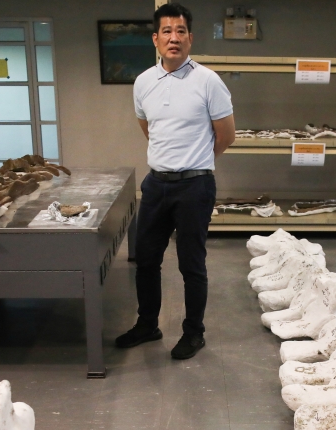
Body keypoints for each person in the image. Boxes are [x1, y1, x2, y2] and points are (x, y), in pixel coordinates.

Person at [115, 2, 235, 360]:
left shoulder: (208, 81)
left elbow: (226, 135)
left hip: (195, 187)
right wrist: (169, 163)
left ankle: (194, 333)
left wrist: (195, 164)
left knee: (191, 265)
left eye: (181, 31)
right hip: (156, 185)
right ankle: (147, 325)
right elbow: (148, 128)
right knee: (147, 260)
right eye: (167, 31)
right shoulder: (143, 82)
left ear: (190, 38)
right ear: (155, 38)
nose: (174, 38)